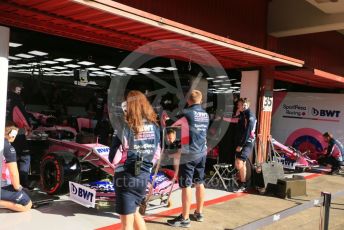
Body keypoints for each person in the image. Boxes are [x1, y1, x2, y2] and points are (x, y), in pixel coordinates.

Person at [108, 90, 160, 230]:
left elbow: (113, 158)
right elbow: (157, 154)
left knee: (126, 226)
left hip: (125, 178)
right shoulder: (154, 127)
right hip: (143, 177)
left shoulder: (124, 128)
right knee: (136, 213)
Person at [167, 90, 209, 228]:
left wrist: (165, 116)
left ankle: (185, 218)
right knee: (200, 182)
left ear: (188, 100)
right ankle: (199, 212)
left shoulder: (186, 113)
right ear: (201, 100)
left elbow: (171, 122)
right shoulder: (206, 115)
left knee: (186, 185)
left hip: (189, 153)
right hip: (202, 152)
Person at [6, 79, 32, 188]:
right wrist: (29, 127)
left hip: (5, 130)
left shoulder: (3, 95)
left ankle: (9, 181)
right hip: (15, 130)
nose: (20, 89)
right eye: (19, 87)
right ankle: (23, 182)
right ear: (14, 87)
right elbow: (21, 116)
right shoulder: (16, 99)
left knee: (8, 155)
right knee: (25, 157)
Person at [0, 122, 32, 212]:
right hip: (2, 186)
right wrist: (18, 187)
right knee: (27, 204)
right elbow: (14, 173)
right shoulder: (9, 149)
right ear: (12, 134)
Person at [234, 98, 257, 192]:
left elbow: (248, 132)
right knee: (240, 163)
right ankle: (243, 182)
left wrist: (241, 145)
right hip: (242, 141)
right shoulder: (243, 115)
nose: (237, 106)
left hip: (247, 142)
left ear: (244, 105)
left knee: (239, 162)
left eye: (239, 104)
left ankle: (243, 184)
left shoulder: (249, 116)